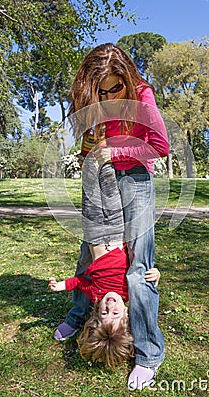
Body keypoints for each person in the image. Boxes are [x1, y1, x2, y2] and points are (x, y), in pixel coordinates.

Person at [59, 43, 169, 390]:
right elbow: (94, 140)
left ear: (127, 77)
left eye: (114, 87)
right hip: (101, 176)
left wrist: (116, 151)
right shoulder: (99, 99)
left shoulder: (144, 97)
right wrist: (89, 153)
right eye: (102, 89)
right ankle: (80, 315)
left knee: (138, 270)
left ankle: (149, 353)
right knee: (87, 255)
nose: (108, 94)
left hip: (135, 179)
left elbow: (160, 146)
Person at [49, 157, 160, 368]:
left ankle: (91, 160)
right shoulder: (130, 291)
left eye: (103, 312)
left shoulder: (96, 295)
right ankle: (105, 157)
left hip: (93, 233)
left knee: (90, 190)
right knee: (108, 188)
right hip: (116, 231)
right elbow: (144, 276)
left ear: (96, 312)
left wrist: (61, 285)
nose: (109, 305)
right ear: (127, 313)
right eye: (115, 312)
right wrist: (156, 276)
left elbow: (81, 282)